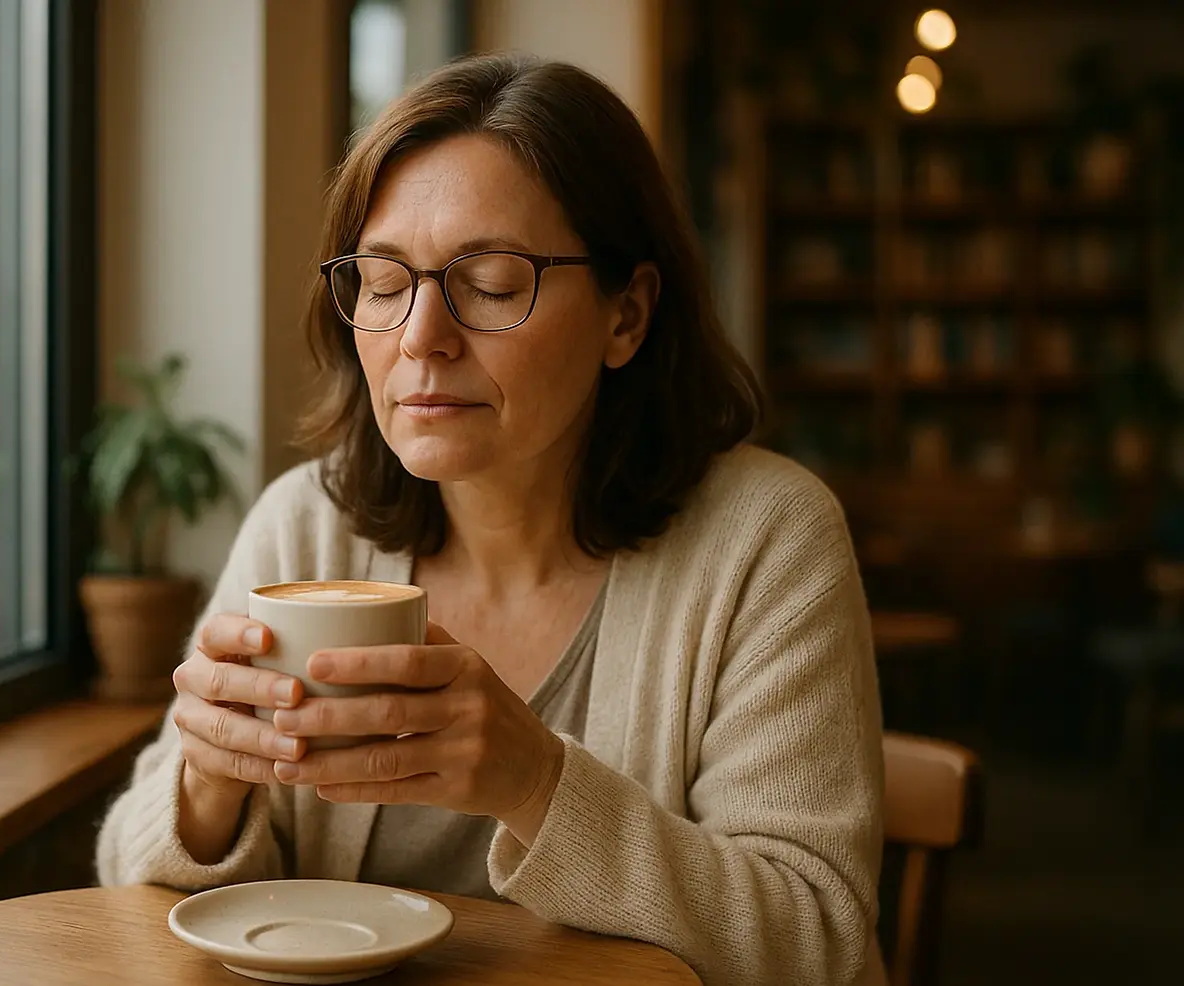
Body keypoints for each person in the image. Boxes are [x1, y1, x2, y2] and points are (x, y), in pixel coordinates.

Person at [97, 53, 884, 986]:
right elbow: (129, 876)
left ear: (626, 315)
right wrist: (208, 788)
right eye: (385, 283)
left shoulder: (766, 539)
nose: (421, 335)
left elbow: (815, 939)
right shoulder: (305, 527)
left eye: (494, 283)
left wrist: (537, 784)